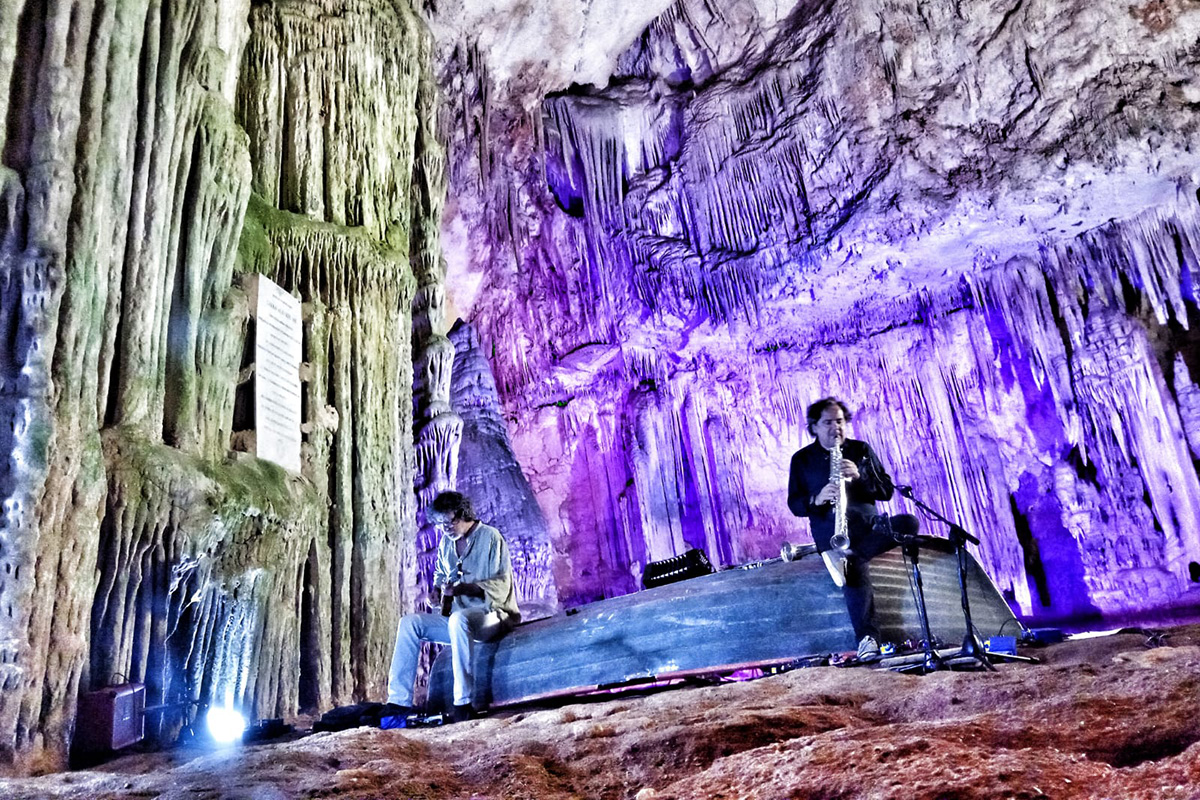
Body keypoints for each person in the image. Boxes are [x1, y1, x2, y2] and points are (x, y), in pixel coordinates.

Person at [787, 397, 917, 662]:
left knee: (909, 523)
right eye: (828, 422)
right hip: (831, 536)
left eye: (840, 421)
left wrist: (861, 476)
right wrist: (817, 498)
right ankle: (867, 639)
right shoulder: (801, 460)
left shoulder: (861, 450)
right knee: (852, 562)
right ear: (814, 427)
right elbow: (795, 504)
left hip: (869, 530)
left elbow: (886, 491)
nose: (836, 427)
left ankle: (854, 557)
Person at [385, 491, 521, 723]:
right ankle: (398, 704)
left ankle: (463, 702)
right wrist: (436, 595)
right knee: (410, 623)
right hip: (460, 621)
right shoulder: (446, 544)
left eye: (449, 522)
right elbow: (440, 579)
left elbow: (499, 585)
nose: (445, 529)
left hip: (493, 616)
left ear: (463, 514)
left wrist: (460, 589)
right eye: (439, 524)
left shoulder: (490, 537)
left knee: (460, 620)